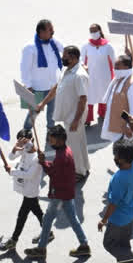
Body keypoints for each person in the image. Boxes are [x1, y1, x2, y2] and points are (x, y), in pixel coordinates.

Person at [24, 125, 91, 258]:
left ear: (60, 140)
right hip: (67, 192)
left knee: (48, 219)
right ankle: (84, 245)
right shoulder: (66, 150)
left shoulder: (61, 157)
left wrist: (43, 163)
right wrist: (45, 161)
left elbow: (53, 173)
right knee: (72, 219)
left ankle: (41, 249)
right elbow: (56, 169)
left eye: (51, 139)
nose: (49, 142)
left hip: (59, 194)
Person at [99, 116, 133, 263]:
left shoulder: (119, 178)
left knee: (110, 244)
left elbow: (113, 203)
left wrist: (104, 220)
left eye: (116, 155)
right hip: (130, 214)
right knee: (123, 245)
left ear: (122, 158)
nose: (115, 157)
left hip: (118, 219)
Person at [36, 46, 90, 182]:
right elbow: (55, 88)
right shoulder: (67, 70)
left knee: (73, 146)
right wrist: (43, 103)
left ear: (73, 58)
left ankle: (79, 172)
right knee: (80, 142)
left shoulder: (79, 75)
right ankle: (85, 167)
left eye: (65, 56)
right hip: (69, 115)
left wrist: (76, 120)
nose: (62, 58)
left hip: (74, 116)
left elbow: (83, 99)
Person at [0, 130, 45, 251]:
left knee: (22, 216)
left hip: (31, 190)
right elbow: (11, 157)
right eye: (21, 142)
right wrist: (15, 148)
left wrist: (11, 171)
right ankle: (47, 231)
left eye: (25, 142)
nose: (23, 146)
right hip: (26, 189)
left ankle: (14, 239)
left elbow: (29, 175)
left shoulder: (37, 157)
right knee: (37, 212)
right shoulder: (23, 149)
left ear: (31, 140)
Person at [20, 19, 63, 131]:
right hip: (37, 88)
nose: (53, 32)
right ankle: (26, 131)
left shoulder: (54, 42)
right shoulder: (30, 48)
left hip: (52, 87)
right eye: (50, 30)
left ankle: (50, 129)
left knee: (52, 112)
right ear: (42, 32)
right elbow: (25, 69)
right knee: (33, 113)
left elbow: (66, 50)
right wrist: (28, 86)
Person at [81, 23, 116, 127]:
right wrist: (83, 67)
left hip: (105, 76)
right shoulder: (86, 45)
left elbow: (114, 61)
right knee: (90, 96)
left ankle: (102, 113)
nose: (93, 33)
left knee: (103, 94)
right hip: (91, 76)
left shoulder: (108, 46)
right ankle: (88, 118)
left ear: (100, 31)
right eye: (91, 31)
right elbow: (82, 60)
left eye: (95, 31)